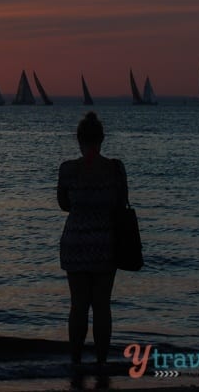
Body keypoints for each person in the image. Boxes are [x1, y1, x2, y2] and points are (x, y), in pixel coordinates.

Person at [57, 111, 128, 367]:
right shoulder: (115, 169)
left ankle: (75, 361)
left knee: (78, 306)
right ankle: (101, 362)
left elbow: (63, 204)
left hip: (75, 242)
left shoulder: (67, 170)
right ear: (102, 139)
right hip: (105, 243)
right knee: (101, 306)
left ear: (78, 139)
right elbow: (122, 204)